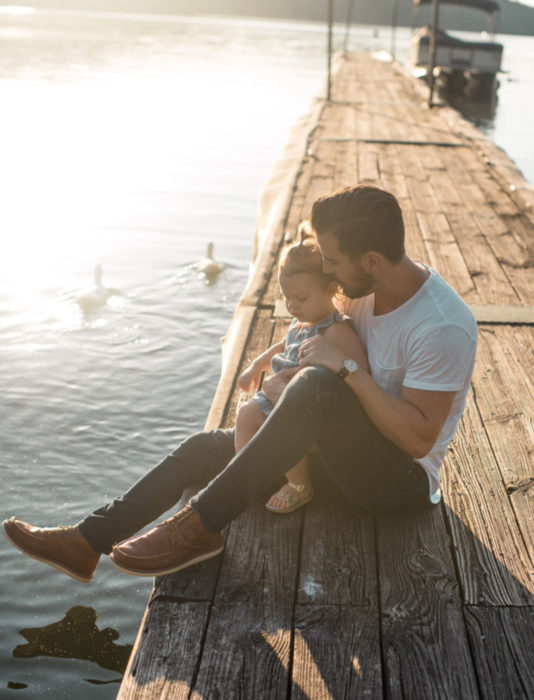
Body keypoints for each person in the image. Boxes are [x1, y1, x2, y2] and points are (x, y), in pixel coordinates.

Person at [3, 185, 477, 583]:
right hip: (336, 453)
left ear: (371, 260)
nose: (326, 270)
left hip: (395, 483)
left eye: (332, 260)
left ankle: (200, 526)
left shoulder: (440, 325)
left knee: (315, 385)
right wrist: (271, 358)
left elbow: (418, 441)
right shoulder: (361, 292)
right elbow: (315, 335)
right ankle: (87, 542)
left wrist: (344, 371)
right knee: (200, 449)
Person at [235, 222, 366, 513]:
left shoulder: (336, 330)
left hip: (306, 407)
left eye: (301, 298)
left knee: (284, 431)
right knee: (245, 414)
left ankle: (300, 485)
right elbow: (283, 346)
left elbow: (357, 371)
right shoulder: (302, 322)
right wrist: (257, 365)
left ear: (331, 289)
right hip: (278, 392)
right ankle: (245, 476)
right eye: (286, 298)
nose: (292, 305)